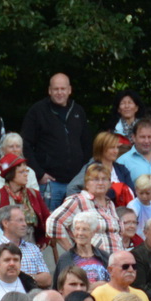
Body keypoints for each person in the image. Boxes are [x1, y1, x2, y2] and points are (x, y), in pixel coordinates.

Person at [19, 73, 92, 210]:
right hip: (50, 184)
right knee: (49, 221)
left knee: (78, 221)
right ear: (49, 90)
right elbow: (25, 145)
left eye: (63, 89)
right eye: (56, 89)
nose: (59, 92)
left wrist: (83, 174)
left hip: (76, 183)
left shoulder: (78, 111)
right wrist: (39, 173)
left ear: (69, 90)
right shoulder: (37, 111)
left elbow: (87, 144)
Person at [45, 162, 123, 254]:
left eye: (104, 179)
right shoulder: (78, 200)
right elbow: (53, 222)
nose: (100, 183)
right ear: (86, 183)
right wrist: (73, 253)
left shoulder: (110, 204)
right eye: (95, 179)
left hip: (117, 259)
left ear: (110, 184)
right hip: (93, 260)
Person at [53, 211, 112, 287]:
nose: (80, 233)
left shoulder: (105, 256)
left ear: (93, 232)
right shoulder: (65, 259)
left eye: (85, 229)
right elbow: (59, 287)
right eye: (77, 229)